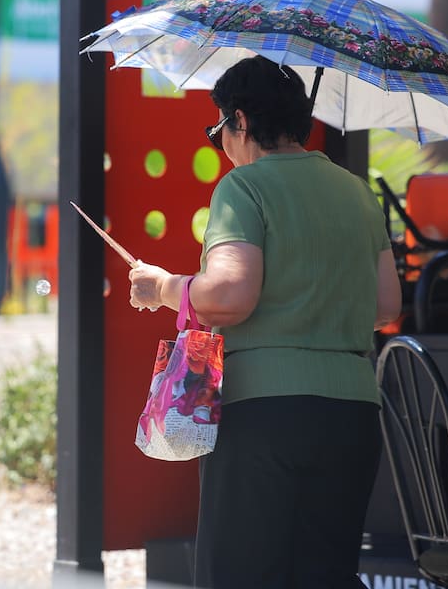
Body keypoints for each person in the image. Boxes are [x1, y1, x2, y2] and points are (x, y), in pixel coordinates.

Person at [126, 56, 402, 588]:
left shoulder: (244, 187)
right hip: (352, 413)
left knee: (241, 575)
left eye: (218, 128)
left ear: (241, 120)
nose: (221, 141)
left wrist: (164, 287)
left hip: (264, 415)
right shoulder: (356, 193)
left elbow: (230, 294)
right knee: (325, 577)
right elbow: (386, 305)